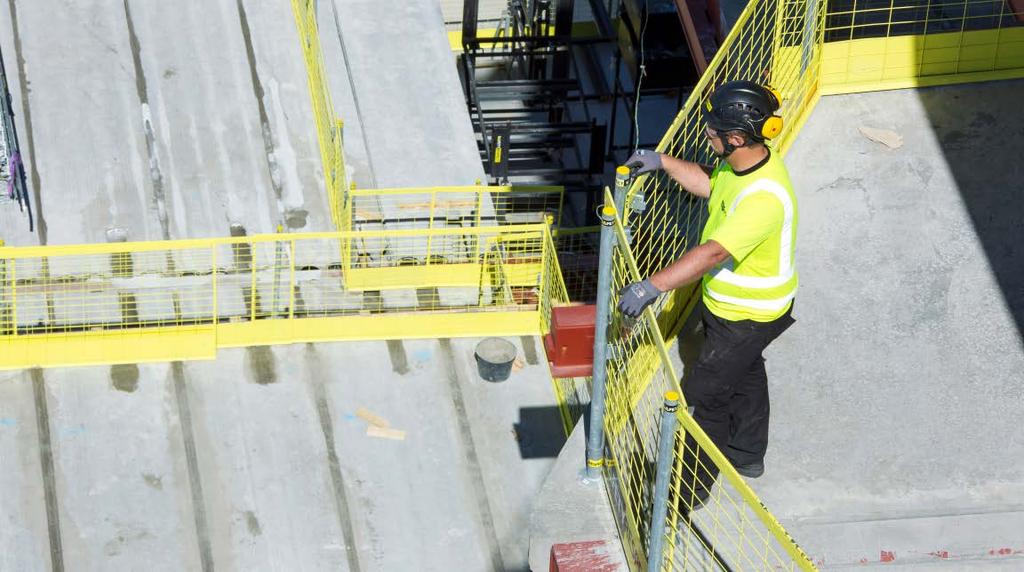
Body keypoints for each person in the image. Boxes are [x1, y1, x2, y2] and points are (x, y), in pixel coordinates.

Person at [618, 80, 798, 508]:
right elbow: (708, 185)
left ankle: (685, 494)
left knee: (706, 394)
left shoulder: (764, 198)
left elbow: (714, 251)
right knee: (746, 373)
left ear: (735, 138)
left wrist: (651, 286)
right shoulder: (740, 165)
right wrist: (662, 161)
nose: (707, 135)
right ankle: (748, 455)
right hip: (735, 310)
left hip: (750, 314)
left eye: (713, 131)